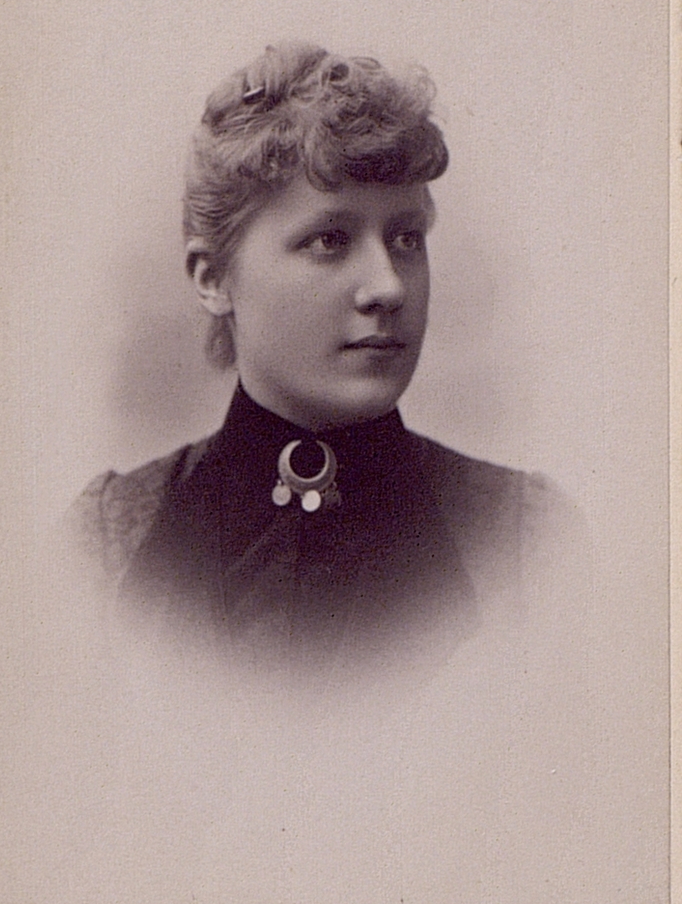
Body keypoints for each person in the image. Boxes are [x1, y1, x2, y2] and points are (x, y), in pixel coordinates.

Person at [71, 43, 567, 662]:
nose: (388, 287)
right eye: (330, 240)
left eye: (406, 238)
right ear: (212, 277)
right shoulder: (105, 542)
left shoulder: (527, 541)